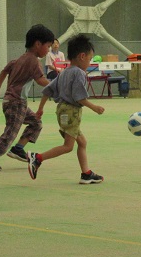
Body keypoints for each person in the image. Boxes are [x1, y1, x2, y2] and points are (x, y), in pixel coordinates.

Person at [26, 34, 105, 184]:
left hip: (61, 111)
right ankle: (37, 158)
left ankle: (86, 173)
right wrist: (95, 107)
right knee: (68, 147)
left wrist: (40, 109)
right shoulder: (79, 73)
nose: (89, 62)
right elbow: (79, 97)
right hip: (71, 112)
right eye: (89, 59)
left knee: (82, 142)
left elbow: (47, 90)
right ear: (82, 56)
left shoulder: (64, 73)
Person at [0, 24, 54, 171]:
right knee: (11, 131)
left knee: (36, 123)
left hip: (12, 102)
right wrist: (57, 85)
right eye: (48, 46)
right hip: (16, 102)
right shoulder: (33, 60)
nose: (48, 50)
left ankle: (18, 149)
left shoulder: (19, 59)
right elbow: (41, 80)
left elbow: (5, 70)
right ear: (38, 44)